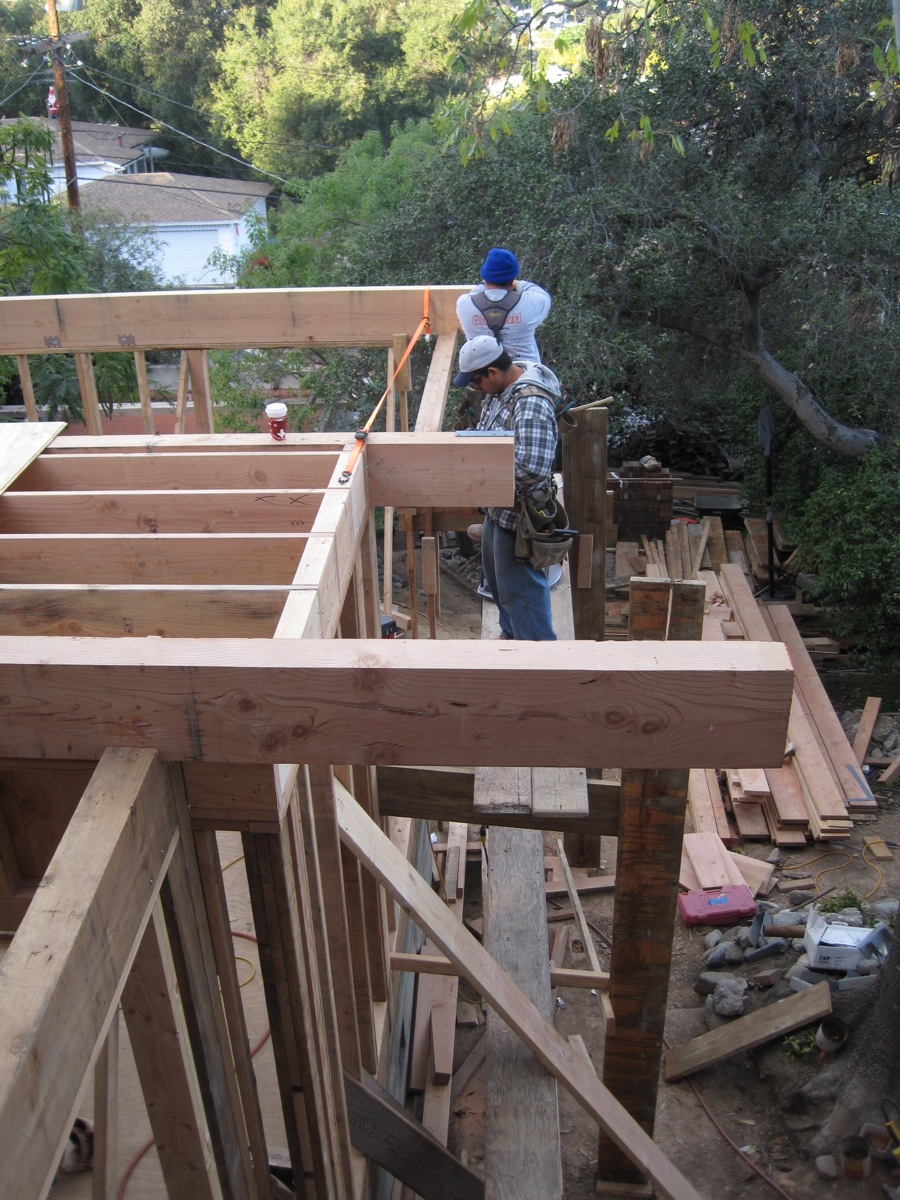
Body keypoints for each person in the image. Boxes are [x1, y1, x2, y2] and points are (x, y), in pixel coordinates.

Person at [454, 335, 561, 641]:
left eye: (477, 382)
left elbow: (531, 468)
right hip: (496, 510)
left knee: (522, 590)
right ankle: (512, 635)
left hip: (518, 515)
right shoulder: (498, 394)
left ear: (493, 372)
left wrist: (480, 476)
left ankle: (538, 657)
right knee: (499, 585)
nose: (476, 390)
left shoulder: (530, 401)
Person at [456, 247, 551, 363]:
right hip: (525, 376)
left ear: (485, 278)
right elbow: (541, 294)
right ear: (512, 280)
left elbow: (476, 291)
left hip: (484, 376)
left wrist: (486, 281)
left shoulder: (464, 304)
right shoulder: (531, 302)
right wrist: (516, 283)